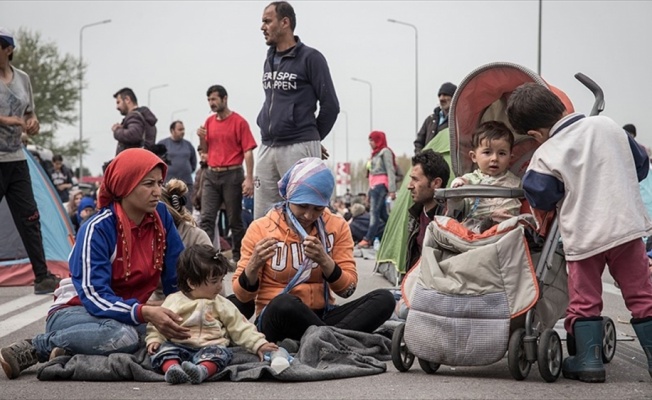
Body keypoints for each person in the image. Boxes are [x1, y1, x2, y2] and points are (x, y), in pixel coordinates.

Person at [506, 82, 652, 383]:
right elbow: (640, 166)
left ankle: (588, 361)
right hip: (626, 228)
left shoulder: (547, 153)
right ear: (560, 107)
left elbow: (541, 194)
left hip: (585, 236)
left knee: (584, 300)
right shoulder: (608, 126)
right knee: (642, 295)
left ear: (534, 134)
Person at [0, 148, 188, 380]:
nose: (158, 192)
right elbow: (95, 296)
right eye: (149, 184)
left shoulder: (161, 218)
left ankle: (70, 350)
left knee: (179, 330)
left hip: (126, 314)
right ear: (125, 186)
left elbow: (179, 276)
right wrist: (145, 312)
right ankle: (37, 346)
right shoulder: (97, 228)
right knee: (126, 336)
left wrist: (192, 309)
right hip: (77, 312)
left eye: (160, 183)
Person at [232, 157, 395, 343]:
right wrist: (253, 266)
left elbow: (347, 290)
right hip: (278, 318)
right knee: (283, 303)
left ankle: (326, 341)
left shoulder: (337, 226)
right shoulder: (261, 228)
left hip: (322, 316)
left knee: (385, 299)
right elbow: (242, 296)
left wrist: (325, 261)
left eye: (318, 209)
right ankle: (340, 340)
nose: (309, 215)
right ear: (289, 197)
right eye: (302, 206)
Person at [254, 1, 340, 219]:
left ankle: (310, 253)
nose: (262, 27)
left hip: (298, 147)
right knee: (264, 217)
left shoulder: (311, 58)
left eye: (267, 21)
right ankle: (268, 254)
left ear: (285, 22)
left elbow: (331, 106)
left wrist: (311, 136)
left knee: (304, 213)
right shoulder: (269, 58)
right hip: (267, 146)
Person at [146, 245, 278, 385]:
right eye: (214, 281)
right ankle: (173, 369)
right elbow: (159, 323)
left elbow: (240, 326)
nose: (220, 286)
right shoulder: (174, 301)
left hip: (211, 345)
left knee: (219, 355)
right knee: (165, 352)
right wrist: (154, 339)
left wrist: (258, 344)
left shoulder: (221, 304)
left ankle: (202, 371)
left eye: (221, 280)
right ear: (191, 283)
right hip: (179, 344)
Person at [0, 27, 60, 294]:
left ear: (8, 49)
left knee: (30, 217)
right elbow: (16, 118)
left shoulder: (22, 79)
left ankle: (42, 277)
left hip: (16, 159)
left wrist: (33, 123)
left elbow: (30, 114)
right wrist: (10, 120)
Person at [196, 85, 256, 263]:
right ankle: (205, 258)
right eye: (209, 100)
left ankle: (239, 257)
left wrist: (249, 179)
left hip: (233, 174)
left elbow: (248, 151)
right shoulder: (209, 122)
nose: (211, 103)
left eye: (214, 99)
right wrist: (201, 138)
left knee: (234, 219)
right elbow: (205, 152)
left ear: (224, 99)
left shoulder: (239, 122)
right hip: (212, 173)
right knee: (206, 218)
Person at [448, 121, 522, 233]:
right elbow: (457, 204)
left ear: (510, 158)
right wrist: (457, 186)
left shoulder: (516, 181)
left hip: (506, 227)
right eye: (487, 152)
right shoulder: (471, 179)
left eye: (501, 153)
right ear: (474, 156)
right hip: (477, 225)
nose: (494, 158)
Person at [405, 149, 450, 272]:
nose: (409, 186)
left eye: (416, 179)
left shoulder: (447, 219)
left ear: (436, 183)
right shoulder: (416, 214)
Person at [357, 131, 397, 249]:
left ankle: (368, 239)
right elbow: (371, 174)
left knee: (374, 212)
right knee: (383, 214)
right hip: (374, 186)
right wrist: (369, 191)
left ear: (379, 140)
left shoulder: (385, 152)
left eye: (372, 140)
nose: (370, 143)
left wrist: (392, 189)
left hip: (381, 185)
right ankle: (396, 231)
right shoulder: (374, 154)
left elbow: (390, 170)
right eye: (369, 140)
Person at [158, 120, 197, 211]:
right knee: (168, 209)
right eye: (180, 129)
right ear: (172, 130)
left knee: (187, 210)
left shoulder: (188, 145)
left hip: (186, 184)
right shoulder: (163, 144)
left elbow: (193, 162)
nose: (182, 132)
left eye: (183, 129)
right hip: (167, 185)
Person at [414, 82, 457, 154]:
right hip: (428, 163)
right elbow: (419, 142)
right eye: (440, 95)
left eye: (445, 95)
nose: (441, 98)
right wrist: (420, 158)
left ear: (454, 98)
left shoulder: (458, 121)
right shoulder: (430, 120)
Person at [112, 87, 158, 154]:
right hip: (145, 158)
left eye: (118, 102)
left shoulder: (134, 116)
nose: (117, 107)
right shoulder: (144, 117)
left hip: (134, 160)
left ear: (127, 99)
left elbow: (133, 135)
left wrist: (117, 131)